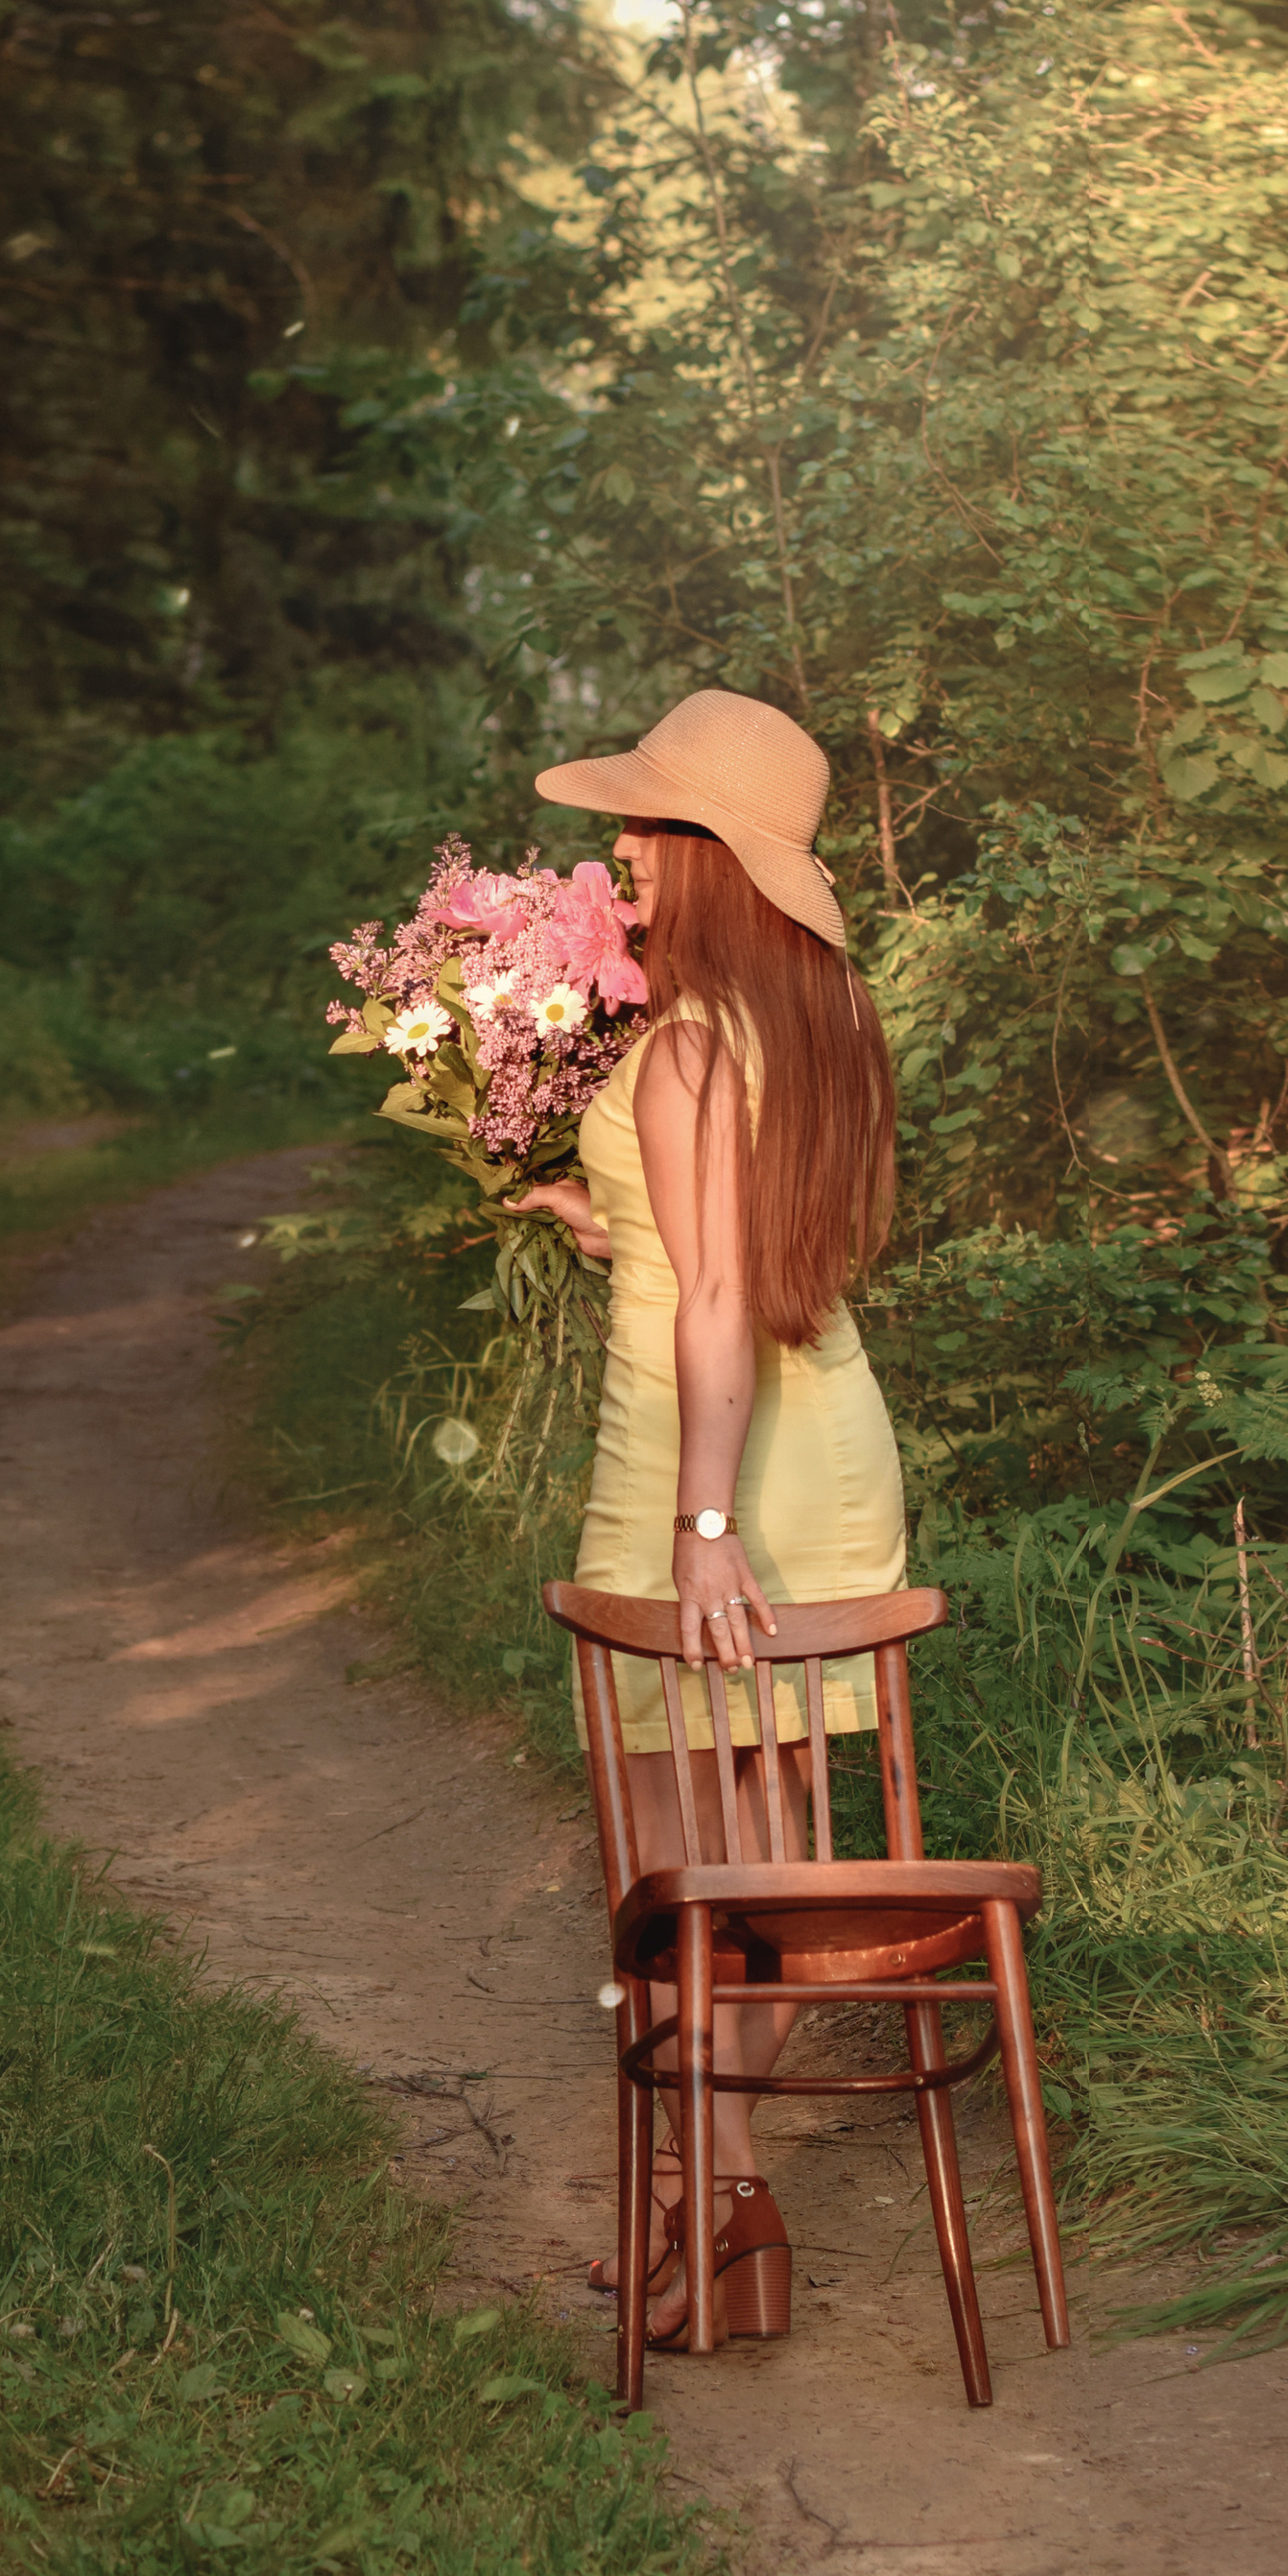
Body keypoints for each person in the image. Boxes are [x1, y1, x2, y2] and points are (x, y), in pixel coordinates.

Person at [507, 688, 905, 2347]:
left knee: (680, 1859)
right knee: (774, 1848)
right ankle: (715, 2198)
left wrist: (702, 1524)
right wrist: (616, 1230)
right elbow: (736, 1247)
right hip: (830, 1448)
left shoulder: (681, 1041)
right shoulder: (820, 1018)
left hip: (710, 1458)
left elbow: (723, 1289)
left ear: (712, 856)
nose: (620, 849)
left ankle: (718, 2211)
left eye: (648, 826)